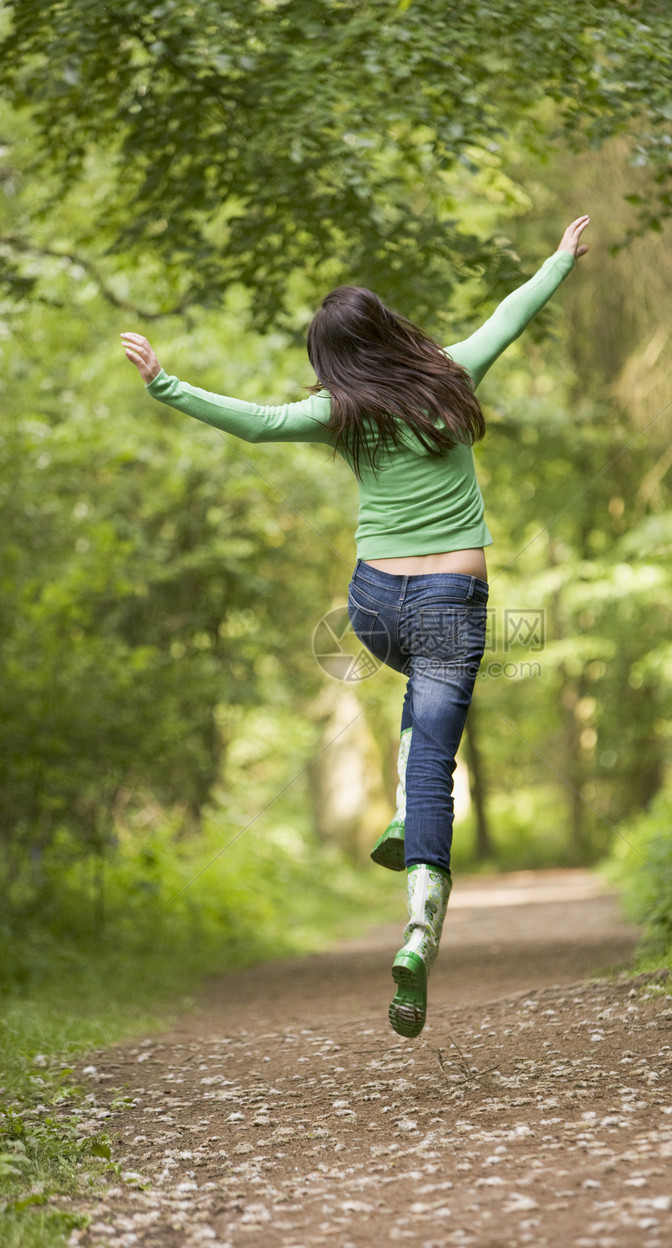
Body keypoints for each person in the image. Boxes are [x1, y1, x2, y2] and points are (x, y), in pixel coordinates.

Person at [121, 214, 590, 1038]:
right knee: (436, 750)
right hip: (450, 599)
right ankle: (420, 926)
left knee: (417, 701)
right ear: (389, 330)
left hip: (371, 607)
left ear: (331, 358)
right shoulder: (450, 376)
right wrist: (557, 261)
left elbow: (257, 422)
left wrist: (167, 382)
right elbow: (510, 315)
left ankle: (409, 817)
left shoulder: (338, 414)